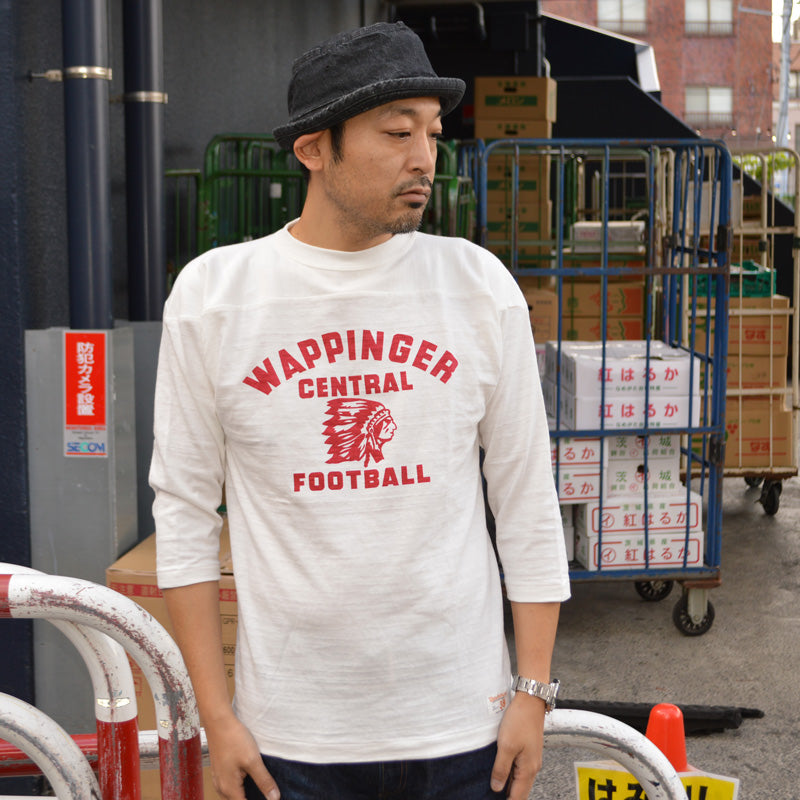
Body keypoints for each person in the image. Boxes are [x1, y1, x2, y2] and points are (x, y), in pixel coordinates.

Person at [150, 20, 570, 800]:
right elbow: (183, 515)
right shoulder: (215, 296)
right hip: (289, 741)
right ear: (314, 149)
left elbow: (526, 499)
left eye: (432, 133)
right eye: (397, 132)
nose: (425, 157)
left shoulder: (477, 287)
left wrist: (533, 692)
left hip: (465, 729)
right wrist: (217, 715)